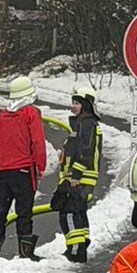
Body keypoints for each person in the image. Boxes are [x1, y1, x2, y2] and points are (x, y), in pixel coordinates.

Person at [0, 75, 48, 260]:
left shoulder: (1, 116)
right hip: (23, 170)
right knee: (24, 212)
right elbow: (38, 142)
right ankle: (26, 253)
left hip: (4, 171)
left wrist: (2, 166)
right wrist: (40, 167)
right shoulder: (30, 113)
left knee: (0, 210)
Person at [52, 78, 103, 263]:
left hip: (80, 179)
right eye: (72, 102)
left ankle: (75, 250)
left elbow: (85, 151)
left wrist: (75, 175)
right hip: (82, 178)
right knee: (78, 211)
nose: (73, 107)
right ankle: (81, 246)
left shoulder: (87, 124)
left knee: (69, 212)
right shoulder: (84, 123)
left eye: (76, 103)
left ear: (86, 105)